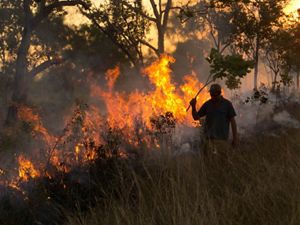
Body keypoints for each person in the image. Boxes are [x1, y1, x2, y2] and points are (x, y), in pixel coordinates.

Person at [190, 84, 238, 154]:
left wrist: (235, 139)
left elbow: (233, 122)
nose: (212, 96)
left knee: (222, 163)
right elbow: (196, 117)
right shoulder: (207, 104)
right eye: (211, 94)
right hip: (209, 141)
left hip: (222, 141)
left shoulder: (227, 104)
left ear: (219, 93)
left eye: (214, 94)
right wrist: (193, 107)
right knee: (209, 162)